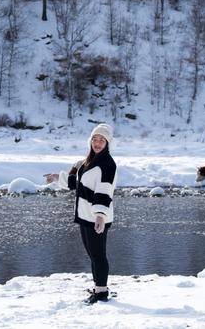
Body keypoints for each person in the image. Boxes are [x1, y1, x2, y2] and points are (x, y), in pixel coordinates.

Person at [53, 123, 117, 304]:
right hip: (85, 215)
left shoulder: (108, 164)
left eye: (101, 140)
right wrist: (58, 178)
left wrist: (100, 216)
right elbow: (78, 185)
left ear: (107, 143)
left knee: (98, 255)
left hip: (97, 217)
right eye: (95, 139)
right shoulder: (89, 161)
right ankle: (98, 285)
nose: (97, 143)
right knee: (92, 254)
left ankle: (102, 292)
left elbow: (104, 191)